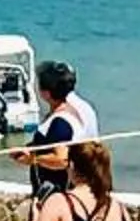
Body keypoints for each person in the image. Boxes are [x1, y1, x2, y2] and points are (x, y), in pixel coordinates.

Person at [10, 60, 94, 197]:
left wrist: (33, 159)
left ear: (46, 93)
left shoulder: (60, 122)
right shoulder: (68, 112)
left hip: (55, 194)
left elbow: (62, 160)